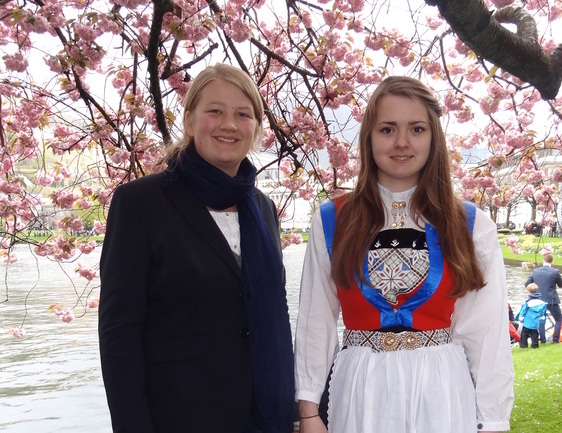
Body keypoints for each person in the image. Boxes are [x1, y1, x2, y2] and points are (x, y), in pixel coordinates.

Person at [294, 76, 514, 433]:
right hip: (362, 389)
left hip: (440, 390)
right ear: (368, 136)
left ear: (433, 137)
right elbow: (314, 322)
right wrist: (308, 410)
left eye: (416, 128)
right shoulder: (332, 218)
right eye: (386, 129)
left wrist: (493, 421)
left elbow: (486, 333)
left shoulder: (470, 224)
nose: (401, 142)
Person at [99, 63, 295, 433]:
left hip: (268, 417)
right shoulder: (141, 203)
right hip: (179, 417)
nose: (229, 124)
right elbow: (119, 332)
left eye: (243, 114)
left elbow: (276, 312)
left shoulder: (264, 209)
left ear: (255, 128)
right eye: (215, 111)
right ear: (190, 121)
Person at [524, 252, 562, 344]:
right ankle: (555, 339)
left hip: (538, 300)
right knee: (558, 319)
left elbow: (527, 284)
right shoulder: (555, 272)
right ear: (552, 261)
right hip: (551, 300)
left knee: (541, 319)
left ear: (543, 261)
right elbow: (561, 285)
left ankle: (543, 340)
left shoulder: (535, 271)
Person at [514, 283, 547, 348]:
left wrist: (521, 318)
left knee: (524, 334)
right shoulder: (542, 303)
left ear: (528, 291)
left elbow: (523, 311)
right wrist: (542, 321)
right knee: (535, 334)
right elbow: (542, 313)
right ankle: (535, 345)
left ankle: (523, 345)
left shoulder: (527, 302)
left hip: (527, 321)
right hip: (535, 322)